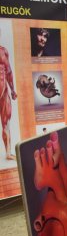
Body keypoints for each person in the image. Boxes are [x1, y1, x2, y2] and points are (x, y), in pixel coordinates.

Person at [0, 27, 17, 160]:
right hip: (3, 89)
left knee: (6, 121)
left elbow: (9, 71)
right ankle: (8, 153)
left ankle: (8, 152)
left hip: (3, 89)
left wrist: (12, 89)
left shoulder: (3, 51)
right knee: (6, 122)